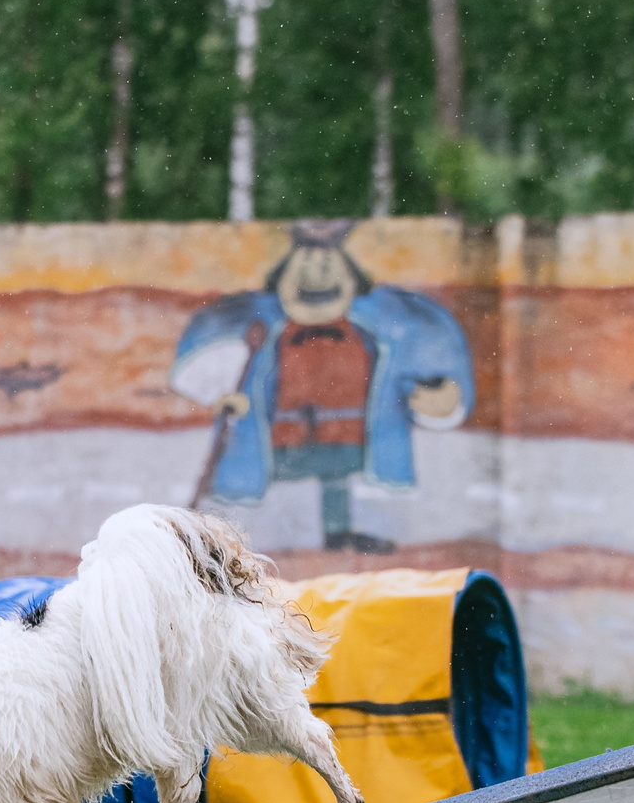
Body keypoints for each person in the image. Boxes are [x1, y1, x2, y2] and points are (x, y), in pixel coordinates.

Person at [170, 218, 474, 553]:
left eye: (329, 265)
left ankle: (336, 534)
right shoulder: (263, 335)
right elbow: (229, 372)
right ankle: (256, 543)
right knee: (280, 484)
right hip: (286, 435)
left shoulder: (378, 336)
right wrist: (233, 399)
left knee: (336, 480)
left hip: (345, 431)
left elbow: (411, 369)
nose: (318, 275)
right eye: (305, 266)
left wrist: (438, 396)